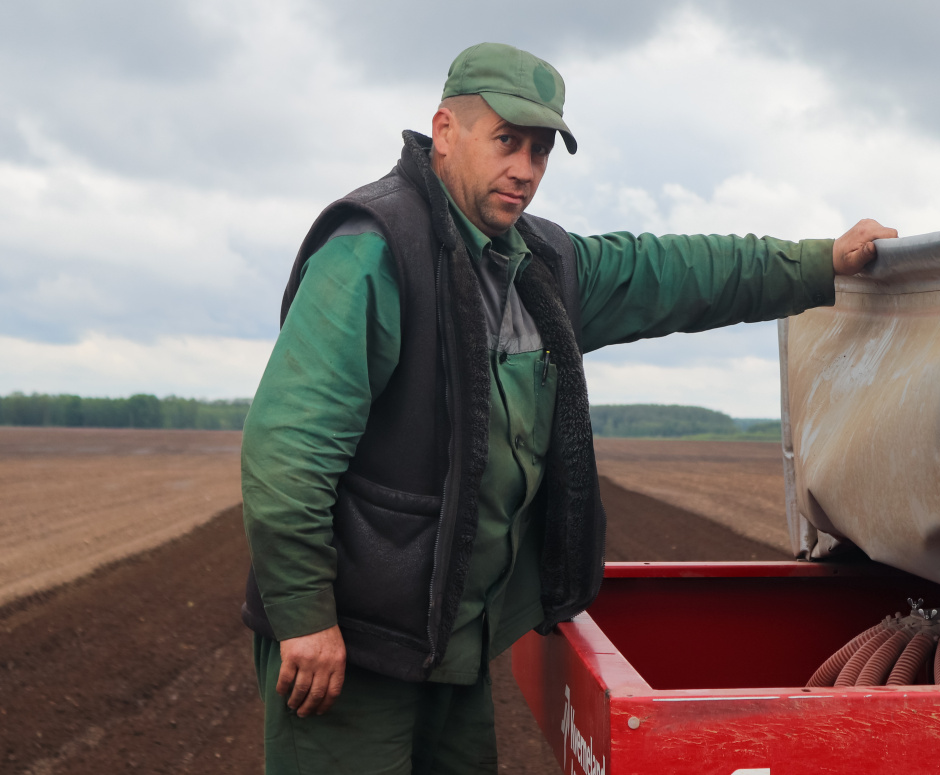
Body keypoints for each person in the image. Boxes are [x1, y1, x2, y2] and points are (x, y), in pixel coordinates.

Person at [240, 41, 896, 774]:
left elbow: (672, 272)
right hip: (349, 648)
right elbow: (287, 450)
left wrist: (817, 263)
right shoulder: (373, 251)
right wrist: (304, 618)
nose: (524, 169)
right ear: (445, 132)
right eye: (507, 141)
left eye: (541, 151)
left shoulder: (537, 266)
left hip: (448, 646)